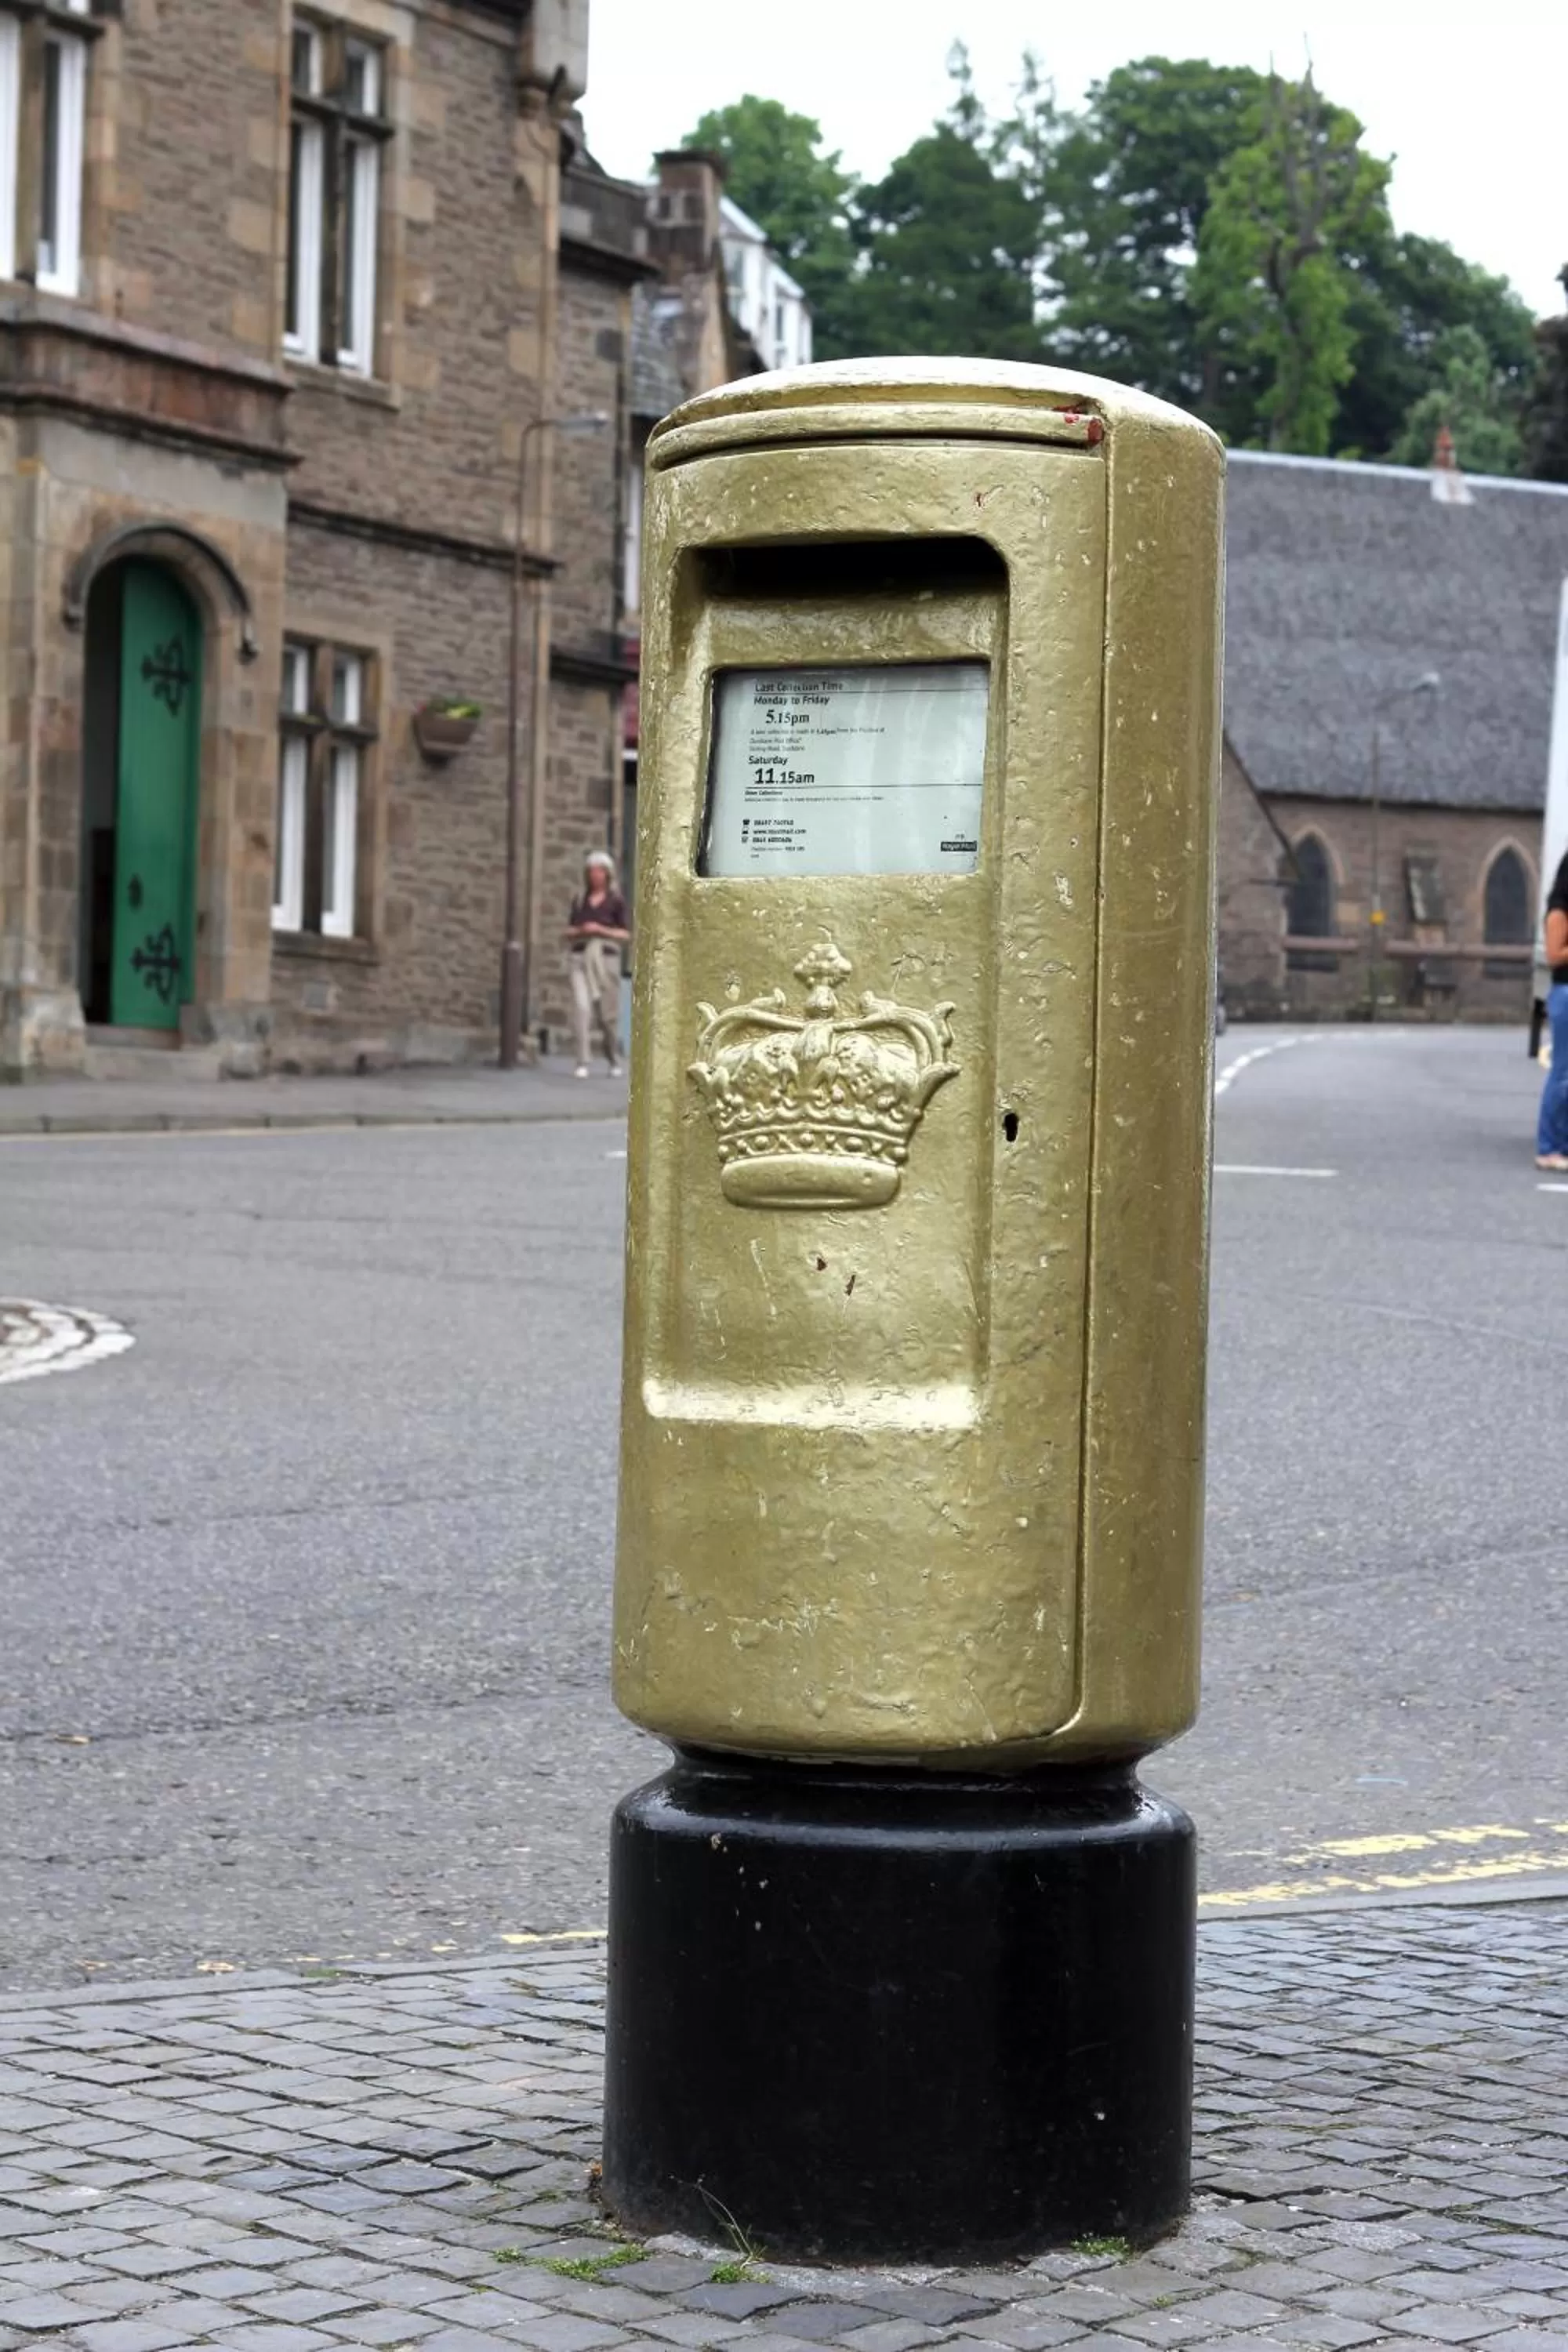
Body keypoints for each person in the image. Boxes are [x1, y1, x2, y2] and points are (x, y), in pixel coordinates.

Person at [566, 850, 630, 1078]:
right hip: (580, 957)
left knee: (607, 1016)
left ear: (607, 874)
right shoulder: (580, 899)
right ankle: (582, 1061)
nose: (595, 875)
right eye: (591, 871)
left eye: (599, 871)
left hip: (605, 958)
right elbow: (569, 930)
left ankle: (613, 1058)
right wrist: (581, 931)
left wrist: (601, 930)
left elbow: (625, 935)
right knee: (582, 1009)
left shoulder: (616, 901)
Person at [1537, 851, 1568, 1171]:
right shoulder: (1559, 912)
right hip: (1566, 993)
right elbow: (1555, 955)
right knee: (1562, 1075)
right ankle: (1548, 1148)